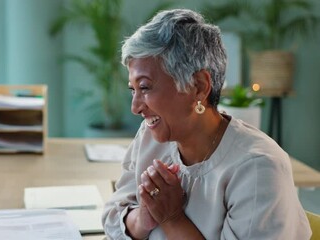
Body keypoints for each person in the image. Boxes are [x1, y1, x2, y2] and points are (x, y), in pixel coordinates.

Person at [102, 8, 311, 239]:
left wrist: (172, 218)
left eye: (145, 87)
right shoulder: (150, 136)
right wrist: (144, 217)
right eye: (133, 89)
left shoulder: (257, 168)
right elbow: (113, 220)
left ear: (199, 86)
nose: (135, 107)